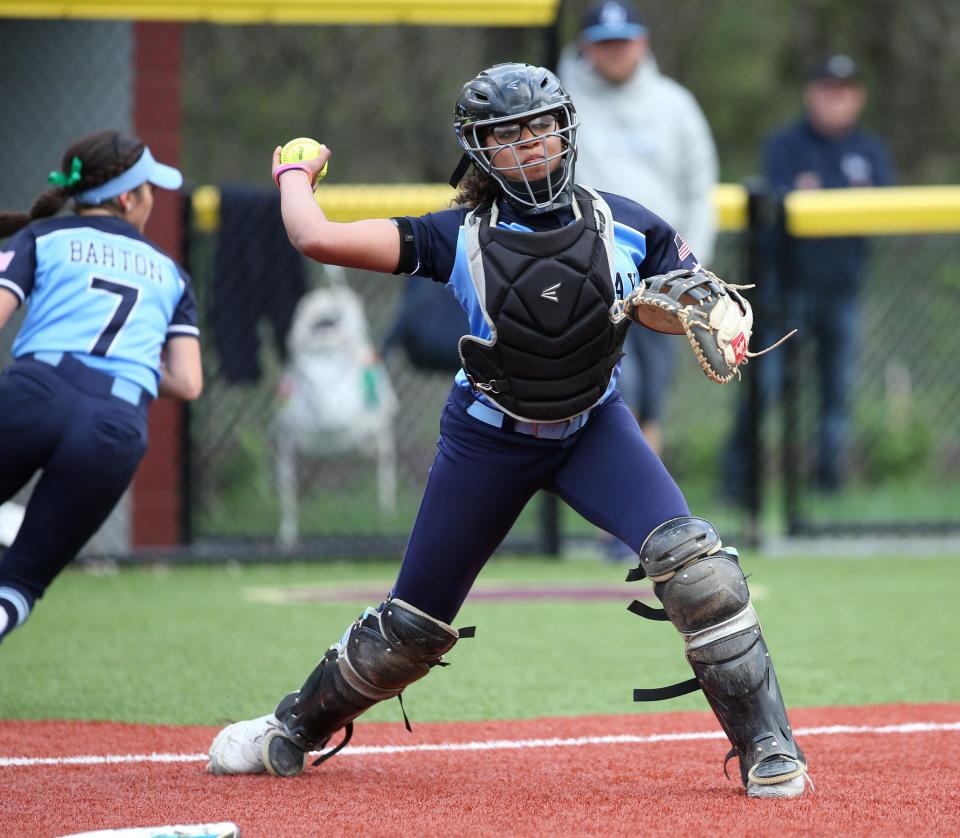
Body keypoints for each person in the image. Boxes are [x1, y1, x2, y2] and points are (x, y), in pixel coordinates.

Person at [206, 63, 808, 798]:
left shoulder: (625, 220)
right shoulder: (454, 235)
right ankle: (294, 726)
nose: (528, 146)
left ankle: (768, 745)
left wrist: (723, 317)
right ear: (479, 151)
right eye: (507, 136)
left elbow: (702, 295)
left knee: (700, 570)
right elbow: (316, 239)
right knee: (411, 632)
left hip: (594, 430)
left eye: (541, 129)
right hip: (489, 439)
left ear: (566, 133)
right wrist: (295, 172)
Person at [0, 130, 202, 644]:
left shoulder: (42, 238)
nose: (154, 200)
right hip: (115, 425)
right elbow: (187, 381)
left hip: (34, 393)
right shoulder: (173, 275)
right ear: (127, 197)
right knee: (19, 582)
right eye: (150, 189)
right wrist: (127, 362)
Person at [726, 54, 895, 495]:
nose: (835, 100)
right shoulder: (786, 145)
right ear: (811, 94)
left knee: (835, 395)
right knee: (767, 386)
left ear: (857, 98)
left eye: (844, 91)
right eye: (827, 90)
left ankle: (828, 491)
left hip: (843, 288)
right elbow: (775, 206)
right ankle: (738, 483)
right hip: (788, 290)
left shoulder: (869, 150)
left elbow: (885, 208)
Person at [558, 0, 719, 458]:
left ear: (642, 42)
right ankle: (613, 507)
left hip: (661, 272)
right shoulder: (557, 105)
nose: (615, 52)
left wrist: (692, 270)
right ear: (584, 47)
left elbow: (699, 192)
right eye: (604, 43)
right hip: (585, 273)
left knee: (650, 401)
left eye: (623, 41)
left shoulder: (675, 104)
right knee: (610, 392)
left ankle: (641, 518)